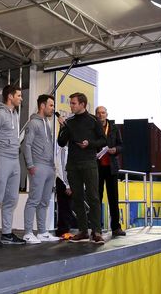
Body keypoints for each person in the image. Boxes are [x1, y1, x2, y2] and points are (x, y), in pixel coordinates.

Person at [57, 92, 107, 244]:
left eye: (73, 103)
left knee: (93, 197)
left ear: (82, 105)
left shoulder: (93, 120)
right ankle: (83, 231)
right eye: (71, 103)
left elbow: (103, 140)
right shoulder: (70, 122)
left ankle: (97, 232)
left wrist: (89, 144)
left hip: (89, 163)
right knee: (77, 198)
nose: (71, 106)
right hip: (73, 164)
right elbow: (61, 142)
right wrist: (63, 127)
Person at [0, 85, 26, 245]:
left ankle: (7, 233)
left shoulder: (15, 114)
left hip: (14, 159)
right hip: (0, 157)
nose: (21, 98)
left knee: (12, 198)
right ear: (10, 96)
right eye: (19, 95)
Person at [22, 95, 62, 244]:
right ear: (42, 106)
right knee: (34, 199)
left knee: (44, 201)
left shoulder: (47, 123)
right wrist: (30, 165)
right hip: (38, 165)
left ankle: (42, 232)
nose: (53, 108)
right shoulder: (33, 123)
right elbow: (26, 145)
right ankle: (27, 232)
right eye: (51, 106)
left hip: (49, 167)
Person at [95, 106, 125, 236]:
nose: (101, 115)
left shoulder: (113, 128)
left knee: (113, 198)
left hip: (111, 167)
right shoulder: (93, 128)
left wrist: (116, 150)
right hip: (96, 167)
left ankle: (116, 228)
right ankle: (96, 229)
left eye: (103, 113)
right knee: (96, 198)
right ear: (96, 115)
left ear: (107, 114)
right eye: (98, 113)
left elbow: (121, 145)